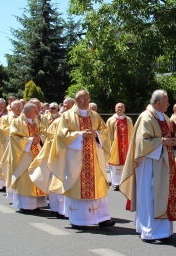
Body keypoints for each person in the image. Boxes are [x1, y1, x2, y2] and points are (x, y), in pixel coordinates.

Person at [30, 90, 114, 229]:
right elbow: (61, 136)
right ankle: (79, 220)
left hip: (94, 159)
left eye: (88, 98)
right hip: (76, 160)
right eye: (83, 99)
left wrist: (96, 134)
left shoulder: (95, 115)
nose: (87, 101)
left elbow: (104, 132)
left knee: (98, 187)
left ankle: (103, 218)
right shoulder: (67, 116)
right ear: (76, 100)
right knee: (77, 187)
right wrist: (81, 135)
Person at [120, 90, 176, 242]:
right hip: (149, 164)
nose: (169, 104)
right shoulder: (145, 117)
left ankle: (164, 231)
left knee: (163, 195)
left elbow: (170, 136)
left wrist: (174, 141)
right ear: (158, 102)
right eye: (166, 101)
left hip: (163, 163)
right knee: (150, 196)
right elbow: (142, 142)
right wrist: (162, 142)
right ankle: (149, 231)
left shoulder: (165, 117)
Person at [9, 102, 48, 212]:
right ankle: (26, 206)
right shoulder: (17, 122)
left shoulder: (36, 121)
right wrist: (30, 140)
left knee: (36, 177)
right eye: (35, 111)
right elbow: (14, 137)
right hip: (24, 156)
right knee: (25, 180)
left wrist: (40, 138)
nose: (37, 113)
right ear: (28, 112)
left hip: (37, 154)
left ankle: (36, 204)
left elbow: (44, 133)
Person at [106, 102, 133, 191]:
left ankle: (124, 182)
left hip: (127, 145)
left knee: (126, 164)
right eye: (118, 107)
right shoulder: (111, 120)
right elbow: (108, 134)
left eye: (121, 107)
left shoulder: (128, 120)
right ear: (115, 109)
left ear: (124, 109)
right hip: (115, 147)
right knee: (115, 165)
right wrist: (109, 146)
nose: (120, 109)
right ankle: (116, 183)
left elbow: (132, 133)